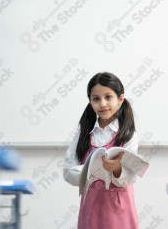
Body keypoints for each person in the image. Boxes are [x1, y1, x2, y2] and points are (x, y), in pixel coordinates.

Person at [63, 72, 139, 229]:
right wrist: (87, 171)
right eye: (96, 99)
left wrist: (117, 169)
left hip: (119, 209)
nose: (102, 103)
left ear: (120, 99)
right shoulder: (83, 134)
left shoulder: (128, 135)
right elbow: (68, 170)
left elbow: (130, 177)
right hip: (91, 206)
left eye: (108, 97)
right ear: (90, 102)